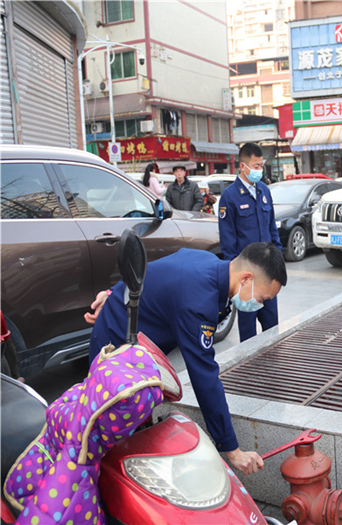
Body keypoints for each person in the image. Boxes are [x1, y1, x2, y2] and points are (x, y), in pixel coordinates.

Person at [85, 241, 287, 475]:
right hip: (116, 342)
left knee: (137, 419)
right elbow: (204, 378)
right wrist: (233, 450)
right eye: (261, 298)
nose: (259, 305)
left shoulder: (210, 265)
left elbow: (154, 271)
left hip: (135, 337)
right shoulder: (198, 300)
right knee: (114, 427)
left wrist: (113, 292)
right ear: (246, 279)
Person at [219, 143, 283, 342]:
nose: (259, 170)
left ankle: (272, 364)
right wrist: (237, 279)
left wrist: (278, 262)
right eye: (255, 166)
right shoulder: (229, 197)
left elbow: (272, 229)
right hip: (246, 277)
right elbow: (228, 243)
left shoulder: (264, 191)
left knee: (272, 325)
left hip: (268, 272)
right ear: (243, 166)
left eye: (261, 166)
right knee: (248, 331)